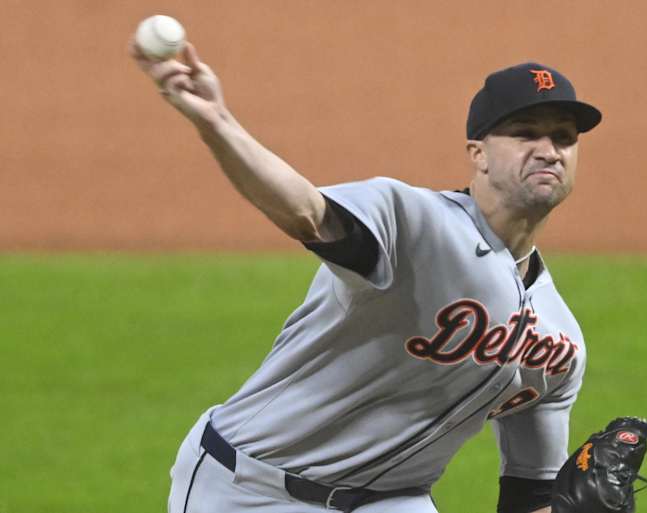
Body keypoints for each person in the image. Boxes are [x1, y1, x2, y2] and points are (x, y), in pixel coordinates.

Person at [131, 39, 604, 513]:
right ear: (478, 153)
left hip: (394, 502)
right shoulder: (411, 221)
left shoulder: (559, 343)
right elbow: (307, 213)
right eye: (525, 133)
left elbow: (531, 495)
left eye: (564, 138)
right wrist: (216, 122)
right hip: (251, 487)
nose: (549, 150)